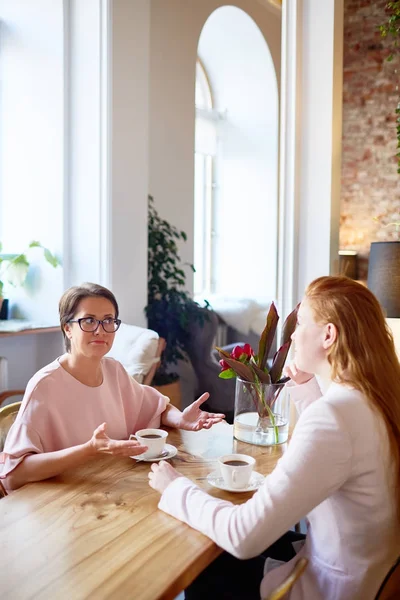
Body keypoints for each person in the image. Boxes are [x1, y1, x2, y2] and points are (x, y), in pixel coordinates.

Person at [148, 276, 400, 600]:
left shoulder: (335, 417)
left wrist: (175, 488)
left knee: (202, 561)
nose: (293, 334)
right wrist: (307, 389)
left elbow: (243, 536)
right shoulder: (375, 400)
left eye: (302, 323)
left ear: (328, 335)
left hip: (327, 588)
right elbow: (338, 449)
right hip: (362, 576)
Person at [0, 283, 224, 491]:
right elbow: (14, 474)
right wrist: (90, 449)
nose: (101, 330)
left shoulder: (113, 370)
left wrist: (180, 420)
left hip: (112, 487)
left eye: (108, 320)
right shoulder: (44, 386)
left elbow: (156, 405)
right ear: (67, 328)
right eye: (88, 320)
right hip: (63, 498)